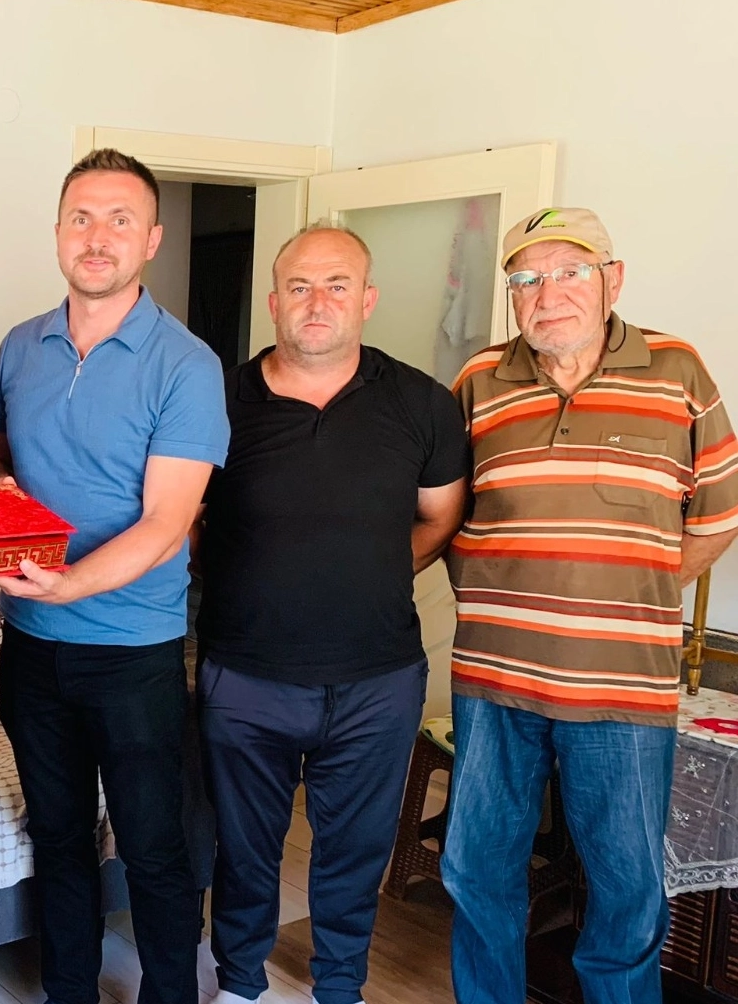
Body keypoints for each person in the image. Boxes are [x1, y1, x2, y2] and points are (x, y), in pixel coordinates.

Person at [442, 207, 738, 1002]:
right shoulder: (478, 380)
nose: (549, 294)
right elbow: (444, 515)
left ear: (613, 279)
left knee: (626, 891)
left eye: (570, 272)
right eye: (526, 278)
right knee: (478, 874)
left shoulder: (677, 371)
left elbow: (717, 518)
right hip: (493, 683)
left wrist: (631, 593)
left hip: (623, 688)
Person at [194, 223, 468, 1004]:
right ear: (274, 302)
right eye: (301, 286)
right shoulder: (217, 400)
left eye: (337, 285)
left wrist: (373, 568)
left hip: (376, 681)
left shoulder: (420, 402)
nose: (318, 302)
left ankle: (339, 989)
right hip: (245, 675)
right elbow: (182, 518)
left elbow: (441, 516)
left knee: (354, 853)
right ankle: (240, 985)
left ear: (366, 299)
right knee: (244, 849)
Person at [0, 148, 229, 1004]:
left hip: (134, 653)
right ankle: (70, 993)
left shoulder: (186, 364)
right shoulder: (19, 348)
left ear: (152, 239)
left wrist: (69, 585)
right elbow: (4, 467)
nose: (98, 238)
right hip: (30, 648)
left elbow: (167, 523)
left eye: (120, 220)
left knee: (154, 848)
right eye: (82, 218)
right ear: (58, 231)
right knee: (57, 840)